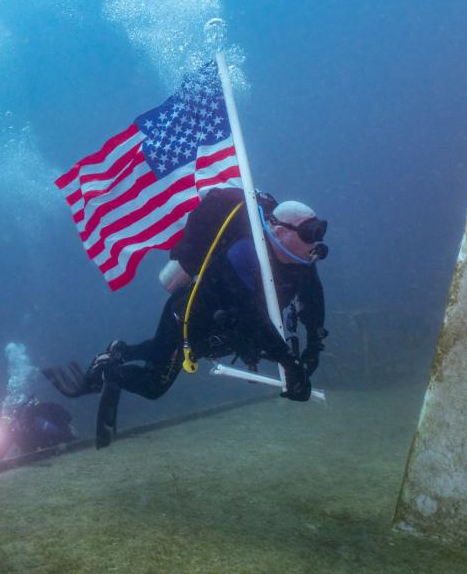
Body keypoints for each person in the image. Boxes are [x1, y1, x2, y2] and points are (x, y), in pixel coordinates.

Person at [44, 187, 328, 448]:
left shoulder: (301, 261)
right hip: (188, 322)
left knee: (158, 349)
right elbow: (251, 315)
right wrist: (290, 364)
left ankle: (120, 351)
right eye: (309, 233)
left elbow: (312, 301)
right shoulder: (244, 254)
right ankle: (107, 373)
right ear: (277, 230)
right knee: (154, 384)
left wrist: (313, 346)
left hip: (221, 334)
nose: (316, 241)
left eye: (317, 231)